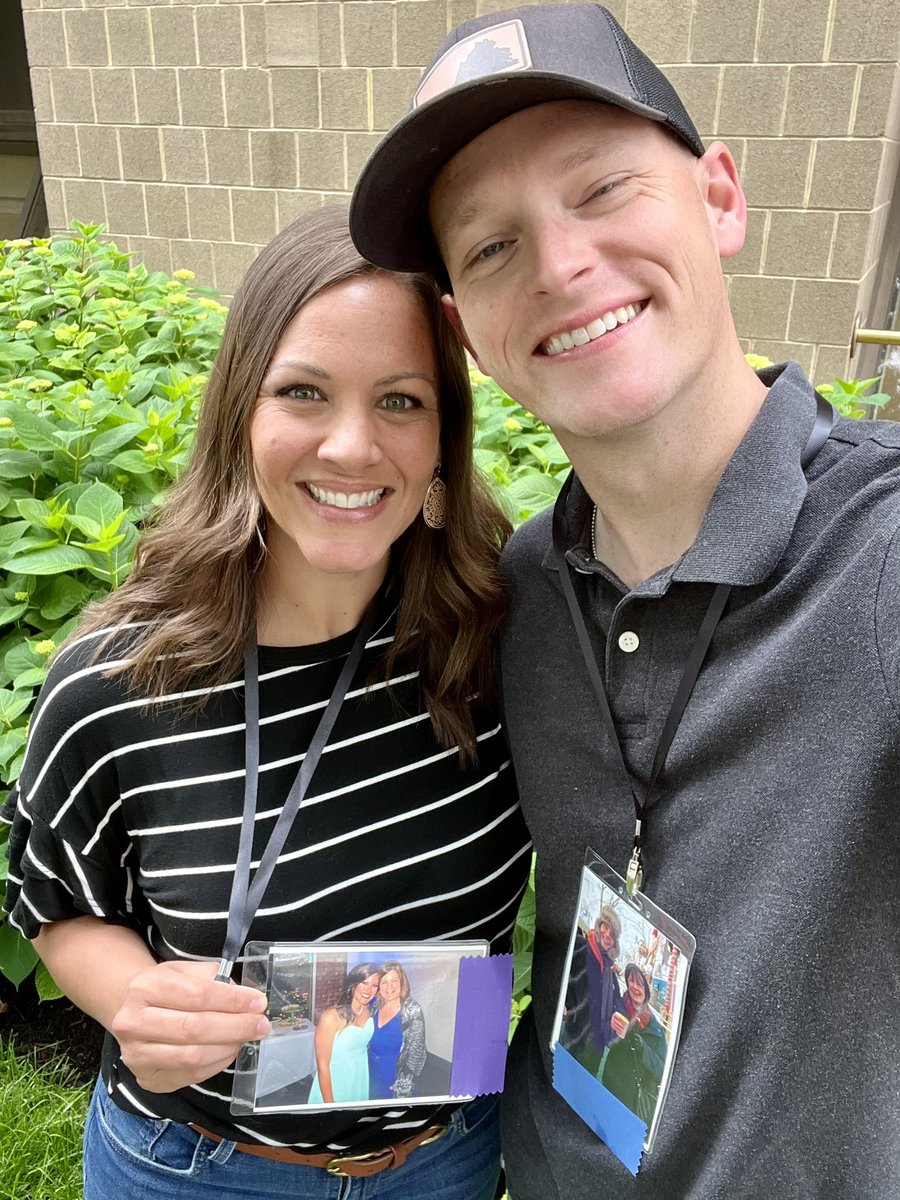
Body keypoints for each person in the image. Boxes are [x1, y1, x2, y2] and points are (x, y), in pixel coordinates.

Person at [349, 4, 900, 1197]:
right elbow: (572, 967)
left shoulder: (881, 553)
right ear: (468, 333)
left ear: (719, 200)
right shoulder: (524, 594)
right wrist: (261, 1041)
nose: (556, 265)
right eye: (489, 247)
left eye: (601, 191)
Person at [2, 205, 531, 1200]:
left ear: (444, 443)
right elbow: (54, 903)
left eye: (402, 401)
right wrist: (135, 1003)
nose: (350, 445)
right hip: (199, 1166)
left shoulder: (499, 650)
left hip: (447, 1161)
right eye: (304, 392)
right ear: (241, 414)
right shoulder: (116, 683)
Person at [559, 905, 622, 1077]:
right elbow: (559, 972)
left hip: (594, 1052)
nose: (608, 934)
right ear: (599, 925)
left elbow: (616, 1006)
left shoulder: (610, 972)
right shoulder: (579, 946)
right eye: (606, 927)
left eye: (613, 934)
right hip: (571, 1036)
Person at [602, 964, 666, 1125]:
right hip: (608, 1086)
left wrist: (643, 1048)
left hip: (633, 1104)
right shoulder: (617, 1006)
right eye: (631, 980)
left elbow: (661, 1071)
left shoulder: (656, 1030)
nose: (634, 987)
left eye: (639, 983)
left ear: (647, 989)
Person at [308, 963, 380, 1105]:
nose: (369, 990)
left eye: (374, 985)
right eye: (364, 982)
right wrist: (330, 1105)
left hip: (359, 1075)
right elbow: (322, 1065)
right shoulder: (331, 1017)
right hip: (335, 1081)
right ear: (353, 983)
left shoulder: (369, 1010)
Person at [368, 960, 427, 1099]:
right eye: (384, 982)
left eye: (394, 980)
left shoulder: (411, 1010)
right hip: (371, 1075)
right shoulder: (374, 1005)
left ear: (402, 982)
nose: (389, 986)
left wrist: (404, 1084)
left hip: (394, 1079)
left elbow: (417, 1052)